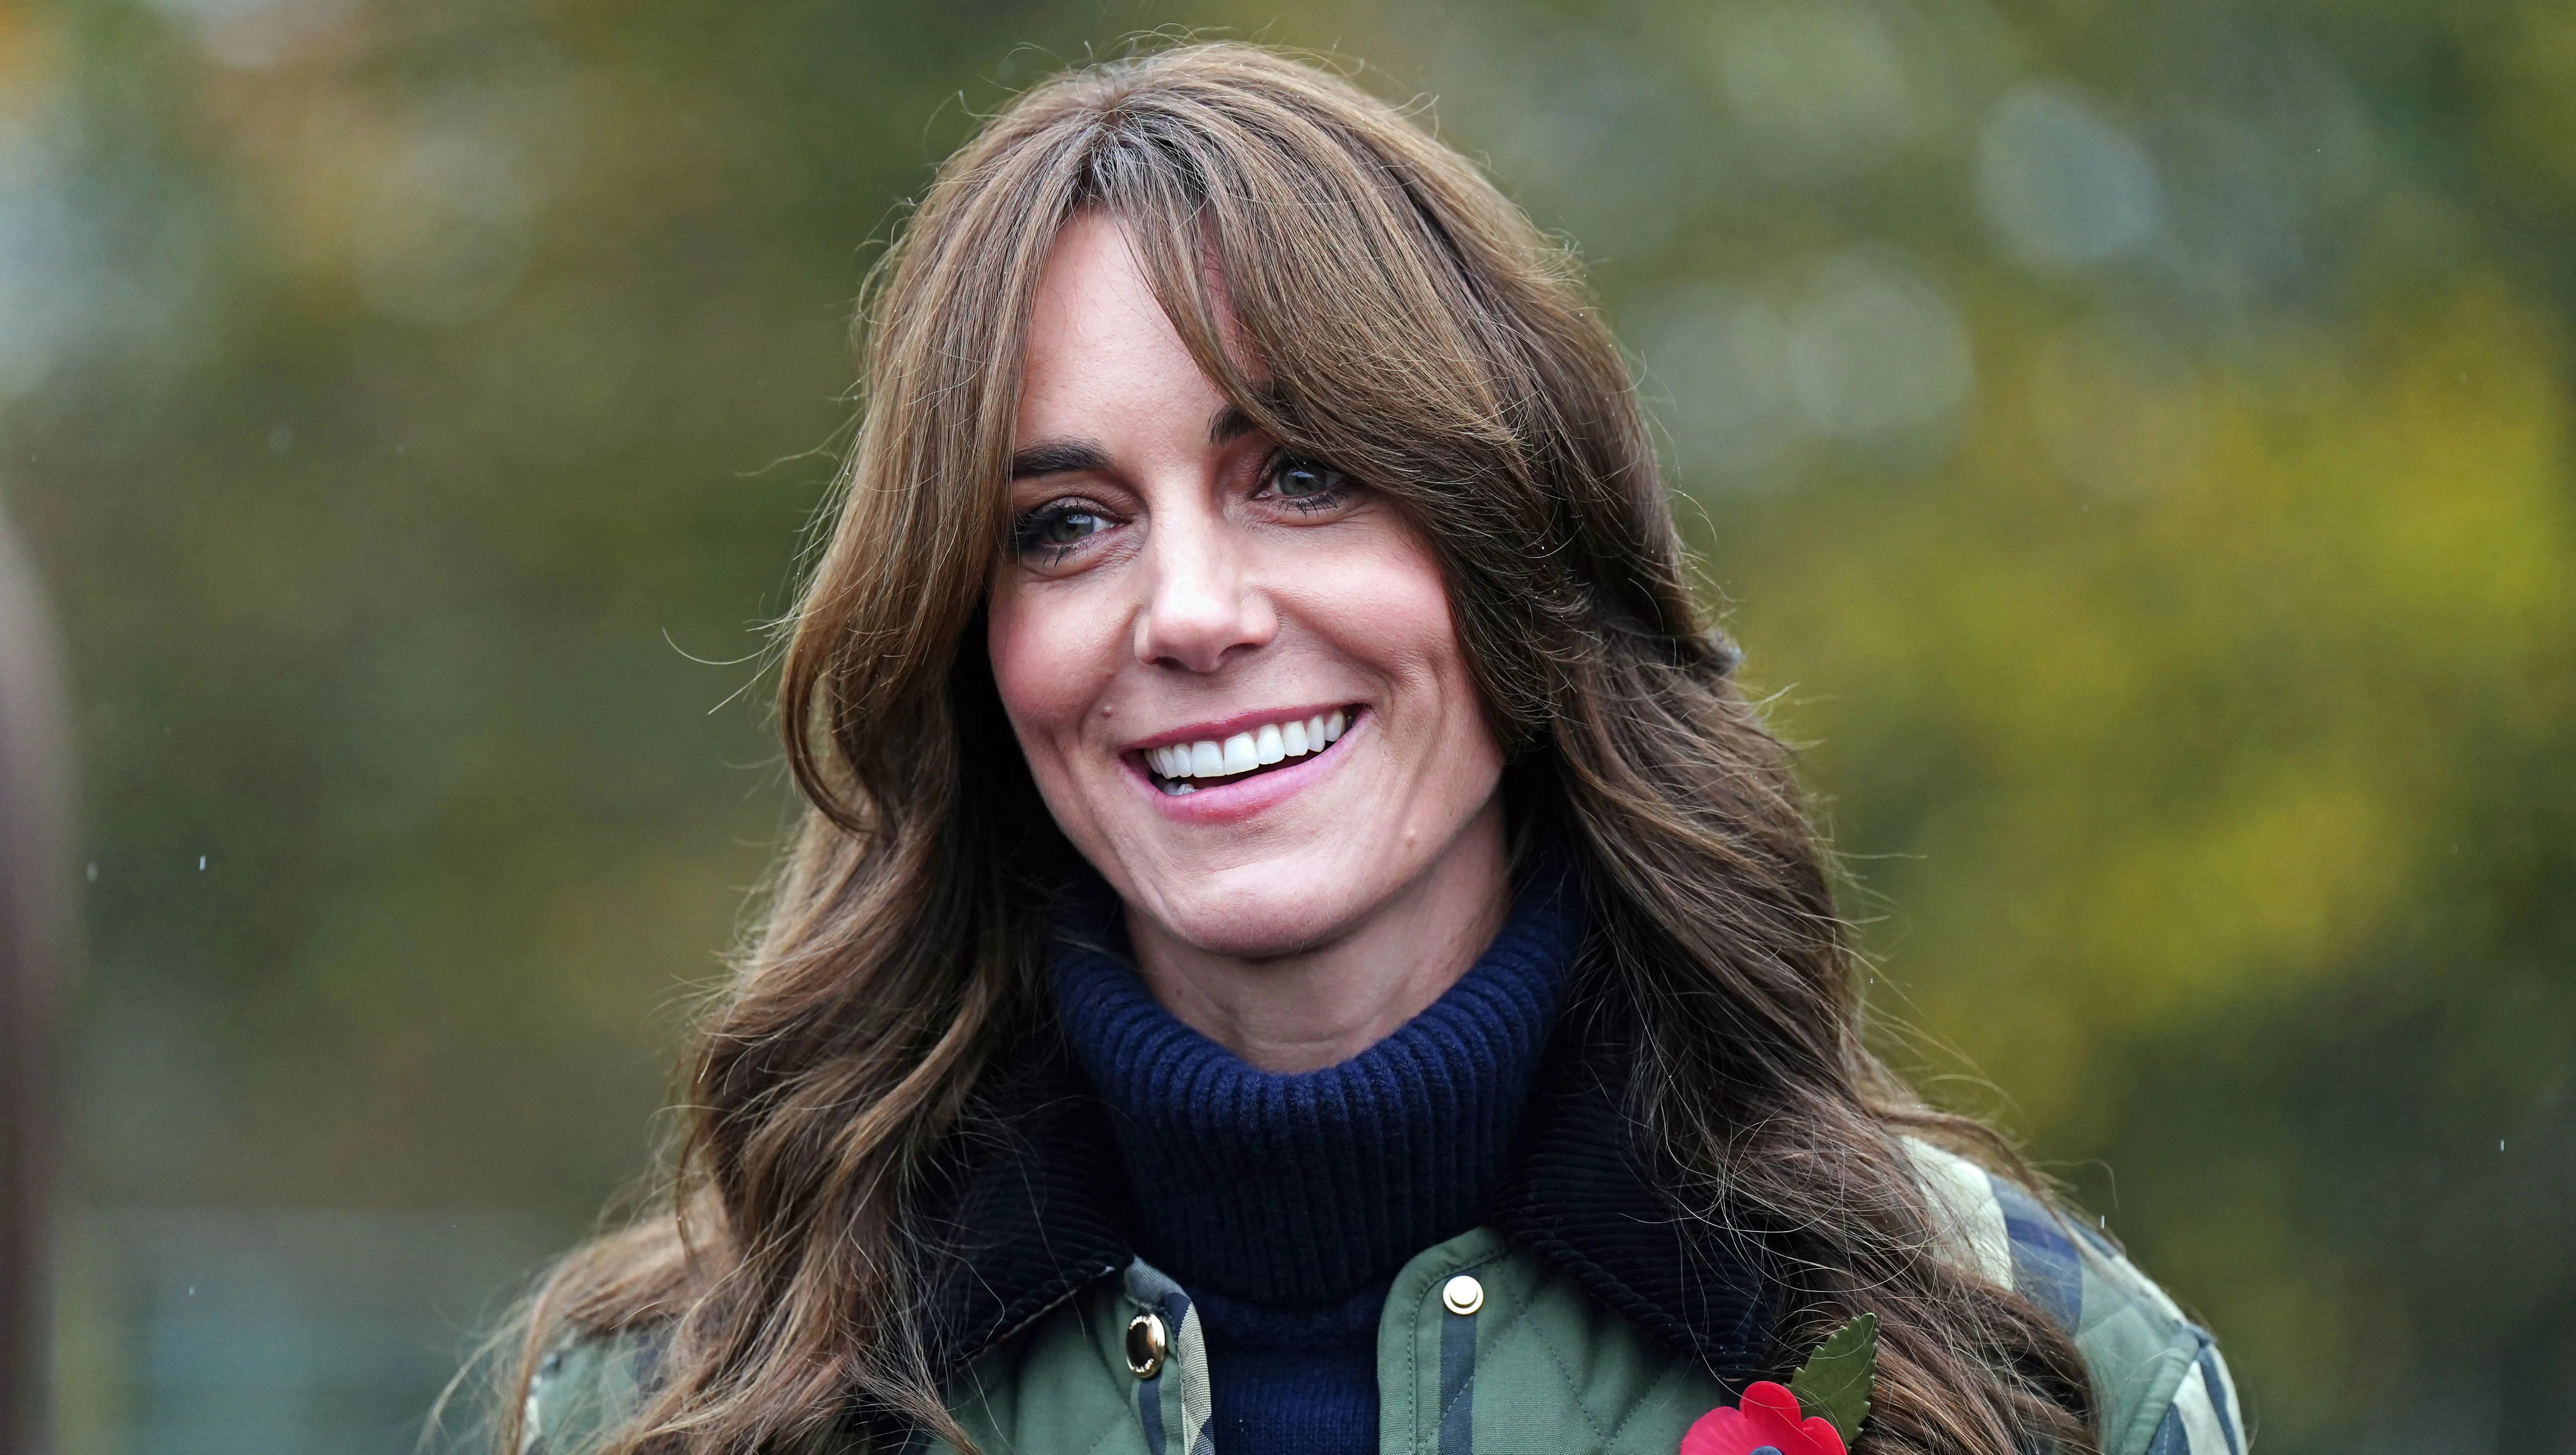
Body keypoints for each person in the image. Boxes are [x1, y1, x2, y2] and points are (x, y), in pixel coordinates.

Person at [505, 43, 2243, 1455]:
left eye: (1304, 475)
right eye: (1063, 523)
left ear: (1519, 554)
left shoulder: (2025, 1373)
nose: (1188, 609)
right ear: (970, 647)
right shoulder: (680, 1405)